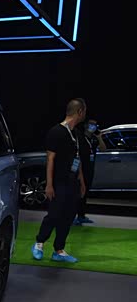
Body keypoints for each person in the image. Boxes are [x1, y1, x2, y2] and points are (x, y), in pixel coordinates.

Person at [32, 99, 88, 263]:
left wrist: (82, 181)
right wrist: (49, 184)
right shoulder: (56, 132)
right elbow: (50, 159)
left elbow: (78, 159)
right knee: (54, 214)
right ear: (79, 112)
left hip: (73, 182)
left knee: (68, 217)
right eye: (84, 111)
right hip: (59, 182)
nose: (85, 114)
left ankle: (59, 250)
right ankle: (39, 243)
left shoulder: (76, 134)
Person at [73, 118, 99, 225]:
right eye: (91, 124)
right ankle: (71, 216)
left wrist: (100, 137)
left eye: (95, 125)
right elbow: (76, 155)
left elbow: (103, 148)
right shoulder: (80, 138)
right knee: (77, 193)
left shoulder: (94, 139)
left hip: (89, 169)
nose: (93, 127)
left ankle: (81, 216)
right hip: (80, 169)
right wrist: (75, 170)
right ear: (86, 125)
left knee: (84, 192)